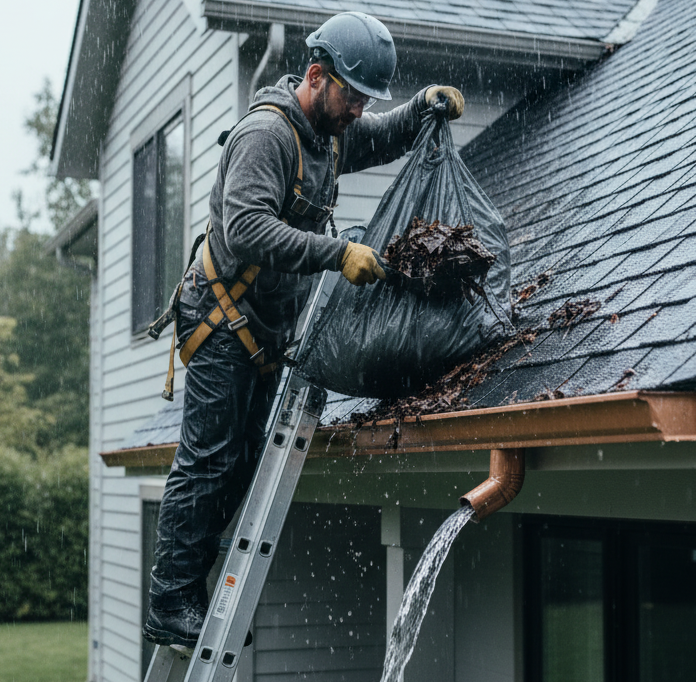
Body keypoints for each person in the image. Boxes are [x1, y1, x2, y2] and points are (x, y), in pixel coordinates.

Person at [142, 11, 464, 651]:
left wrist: (422, 106)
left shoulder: (332, 132)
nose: (358, 110)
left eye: (365, 98)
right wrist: (335, 252)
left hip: (265, 332)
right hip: (221, 319)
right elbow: (246, 230)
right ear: (316, 76)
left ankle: (190, 594)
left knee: (238, 470)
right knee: (207, 463)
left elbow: (380, 136)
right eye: (352, 96)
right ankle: (169, 600)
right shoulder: (268, 135)